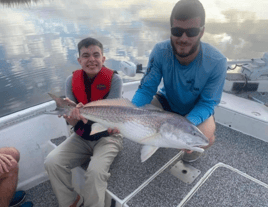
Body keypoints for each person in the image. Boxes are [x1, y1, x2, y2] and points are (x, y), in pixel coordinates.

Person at [132, 0, 227, 162]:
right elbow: (146, 90)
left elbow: (207, 103)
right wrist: (129, 111)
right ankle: (157, 141)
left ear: (202, 32)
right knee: (135, 117)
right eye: (177, 31)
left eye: (191, 32)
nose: (183, 38)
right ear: (170, 30)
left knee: (207, 138)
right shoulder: (160, 51)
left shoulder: (217, 61)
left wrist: (184, 126)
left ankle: (189, 153)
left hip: (196, 108)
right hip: (166, 102)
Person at [44, 37, 123, 207]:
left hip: (107, 138)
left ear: (103, 59)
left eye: (96, 55)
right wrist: (71, 116)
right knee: (52, 161)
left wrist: (85, 112)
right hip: (80, 136)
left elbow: (112, 116)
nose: (91, 60)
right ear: (79, 60)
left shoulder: (115, 80)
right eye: (86, 56)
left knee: (94, 174)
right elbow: (73, 123)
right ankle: (72, 202)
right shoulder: (71, 81)